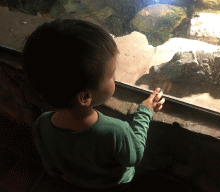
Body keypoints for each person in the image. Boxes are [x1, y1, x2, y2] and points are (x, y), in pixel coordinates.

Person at [22, 17, 165, 191]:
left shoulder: (41, 124)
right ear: (85, 97)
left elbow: (48, 159)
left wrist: (56, 174)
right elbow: (134, 157)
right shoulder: (115, 131)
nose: (115, 78)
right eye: (111, 75)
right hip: (114, 184)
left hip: (76, 181)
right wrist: (145, 112)